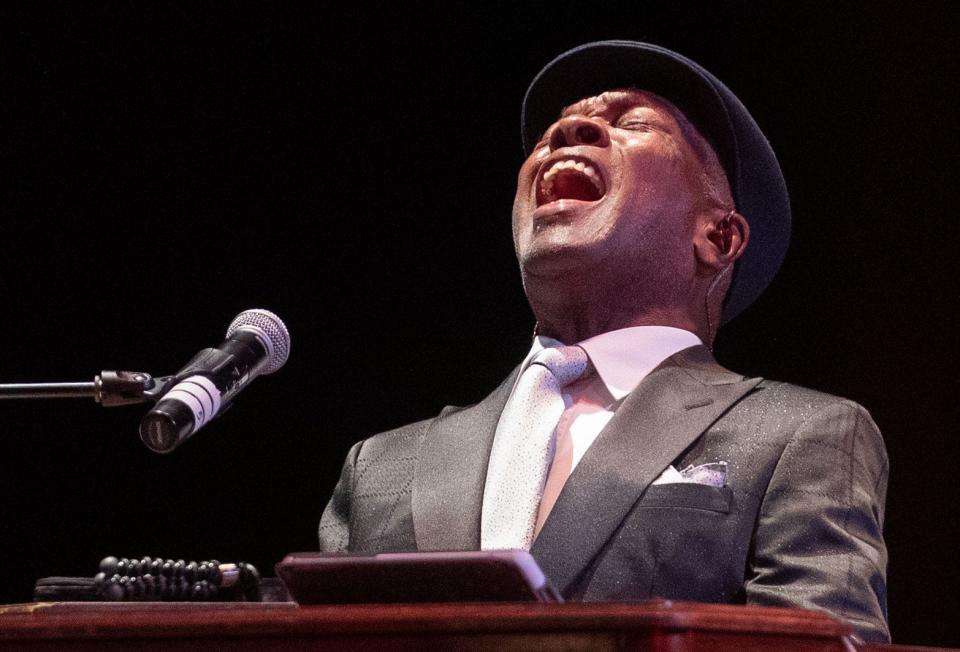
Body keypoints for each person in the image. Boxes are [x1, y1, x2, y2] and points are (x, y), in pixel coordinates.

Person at [318, 41, 889, 643]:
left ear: (717, 237)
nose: (571, 127)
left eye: (633, 123)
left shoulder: (802, 434)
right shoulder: (380, 467)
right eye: (549, 135)